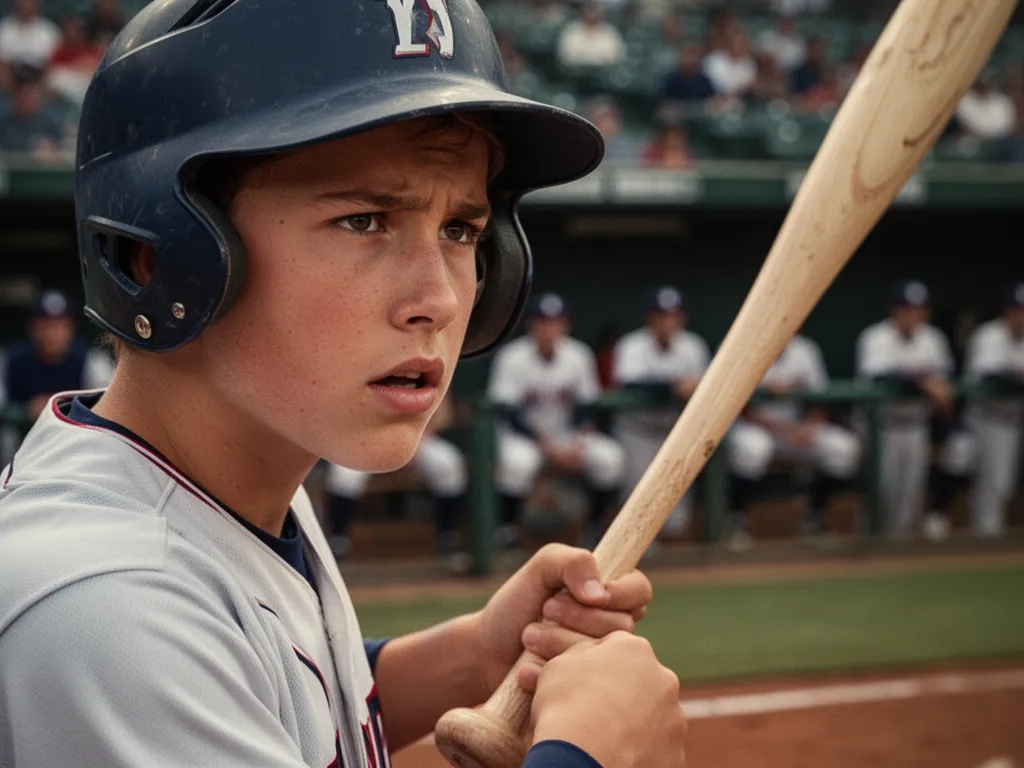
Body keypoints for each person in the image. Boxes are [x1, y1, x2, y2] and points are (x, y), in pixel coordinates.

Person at [0, 2, 688, 767]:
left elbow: (273, 691)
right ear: (155, 254)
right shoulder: (107, 603)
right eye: (366, 221)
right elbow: (168, 652)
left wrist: (474, 655)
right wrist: (589, 758)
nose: (440, 299)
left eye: (460, 230)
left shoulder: (226, 484)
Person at [488, 293, 626, 549]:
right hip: (525, 438)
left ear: (565, 325)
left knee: (609, 457)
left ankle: (595, 528)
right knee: (517, 464)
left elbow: (587, 407)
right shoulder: (512, 357)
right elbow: (510, 413)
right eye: (543, 322)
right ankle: (507, 530)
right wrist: (547, 446)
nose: (549, 329)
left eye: (555, 322)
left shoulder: (578, 354)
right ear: (531, 325)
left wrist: (579, 442)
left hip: (567, 434)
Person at [726, 332, 860, 551]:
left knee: (842, 448)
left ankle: (814, 517)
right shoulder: (743, 346)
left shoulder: (805, 350)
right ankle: (737, 521)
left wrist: (811, 425)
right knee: (752, 449)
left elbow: (822, 397)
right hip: (756, 427)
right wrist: (788, 429)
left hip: (796, 428)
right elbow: (738, 406)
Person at [855, 280, 955, 537]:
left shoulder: (933, 339)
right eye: (906, 309)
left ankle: (898, 553)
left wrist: (937, 390)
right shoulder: (876, 337)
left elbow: (944, 381)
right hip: (882, 428)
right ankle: (869, 547)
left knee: (910, 496)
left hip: (916, 425)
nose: (913, 316)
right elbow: (879, 377)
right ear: (894, 311)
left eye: (919, 310)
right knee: (882, 494)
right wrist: (923, 382)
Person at [324, 393, 470, 566]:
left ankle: (448, 534)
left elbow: (442, 412)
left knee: (447, 464)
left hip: (418, 439)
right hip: (366, 439)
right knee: (344, 473)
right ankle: (339, 539)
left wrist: (414, 441)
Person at [612, 286, 710, 540]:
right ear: (649, 319)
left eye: (673, 315)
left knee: (676, 521)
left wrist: (693, 387)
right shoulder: (632, 345)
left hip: (674, 433)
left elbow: (707, 386)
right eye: (661, 315)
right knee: (636, 504)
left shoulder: (693, 346)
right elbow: (627, 384)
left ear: (682, 318)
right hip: (638, 433)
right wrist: (672, 387)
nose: (667, 322)